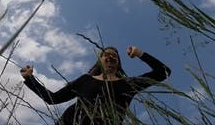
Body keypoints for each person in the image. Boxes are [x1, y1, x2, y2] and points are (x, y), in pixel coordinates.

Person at [20, 45, 171, 125]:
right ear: (100, 60)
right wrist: (31, 79)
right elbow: (52, 98)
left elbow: (163, 72)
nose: (111, 56)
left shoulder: (128, 84)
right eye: (106, 54)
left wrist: (140, 53)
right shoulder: (85, 80)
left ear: (118, 62)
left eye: (114, 55)